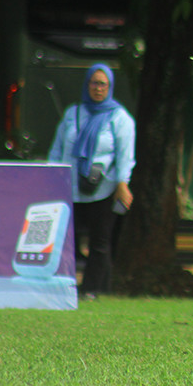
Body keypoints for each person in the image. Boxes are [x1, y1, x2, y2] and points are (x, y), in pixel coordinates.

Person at [49, 63, 136, 297]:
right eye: (94, 83)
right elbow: (57, 149)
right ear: (87, 84)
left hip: (103, 189)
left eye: (103, 84)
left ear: (110, 87)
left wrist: (122, 184)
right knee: (66, 241)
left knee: (100, 243)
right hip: (70, 188)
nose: (98, 89)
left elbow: (125, 156)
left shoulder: (120, 118)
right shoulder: (73, 112)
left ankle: (93, 289)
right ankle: (63, 286)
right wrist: (50, 177)